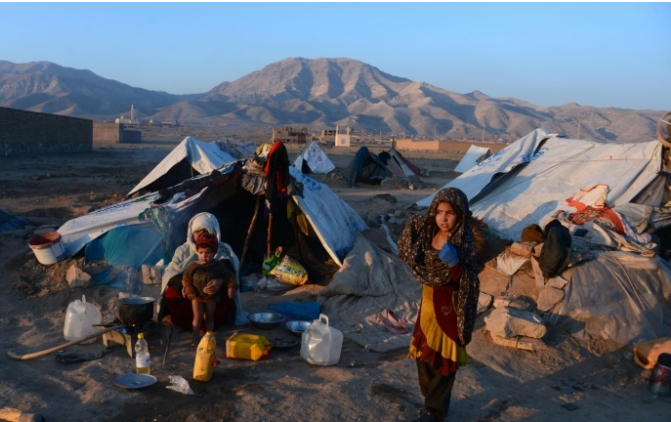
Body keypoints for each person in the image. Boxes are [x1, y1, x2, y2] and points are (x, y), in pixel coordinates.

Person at [397, 188, 480, 422]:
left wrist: (455, 264)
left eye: (450, 213)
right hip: (427, 308)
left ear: (460, 215)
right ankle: (431, 403)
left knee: (445, 362)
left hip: (448, 311)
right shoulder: (427, 235)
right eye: (439, 212)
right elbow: (410, 253)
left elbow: (470, 282)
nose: (443, 218)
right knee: (424, 358)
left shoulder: (463, 243)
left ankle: (435, 412)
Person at [158, 212, 246, 331]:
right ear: (191, 233)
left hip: (211, 296)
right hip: (191, 294)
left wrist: (220, 281)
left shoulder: (221, 250)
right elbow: (170, 274)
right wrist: (185, 285)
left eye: (205, 231)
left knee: (225, 296)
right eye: (197, 231)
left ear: (213, 232)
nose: (201, 234)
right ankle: (190, 324)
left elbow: (228, 271)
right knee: (171, 293)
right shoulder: (183, 251)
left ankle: (207, 326)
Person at [182, 233, 237, 346]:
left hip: (211, 296)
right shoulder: (194, 265)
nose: (204, 256)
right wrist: (189, 290)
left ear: (214, 253)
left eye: (208, 253)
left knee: (209, 317)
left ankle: (209, 338)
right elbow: (186, 278)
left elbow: (229, 276)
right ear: (197, 252)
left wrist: (231, 287)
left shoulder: (218, 265)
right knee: (197, 317)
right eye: (201, 252)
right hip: (197, 296)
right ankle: (195, 337)